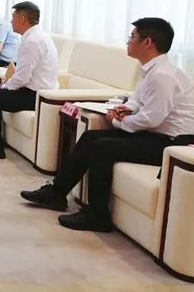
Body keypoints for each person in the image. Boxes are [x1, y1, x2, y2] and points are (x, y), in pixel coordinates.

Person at [20, 18, 194, 232]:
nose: (128, 41)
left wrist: (117, 121)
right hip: (154, 134)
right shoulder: (152, 70)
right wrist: (125, 109)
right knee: (90, 137)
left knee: (102, 147)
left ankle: (97, 215)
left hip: (171, 144)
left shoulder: (163, 76)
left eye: (132, 36)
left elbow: (151, 119)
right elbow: (138, 100)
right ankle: (56, 193)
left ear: (148, 42)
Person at [0, 2, 58, 159]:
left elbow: (23, 77)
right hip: (31, 89)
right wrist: (6, 83)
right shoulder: (35, 36)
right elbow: (23, 73)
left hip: (35, 96)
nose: (11, 22)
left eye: (13, 17)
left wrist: (5, 86)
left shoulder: (33, 41)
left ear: (22, 19)